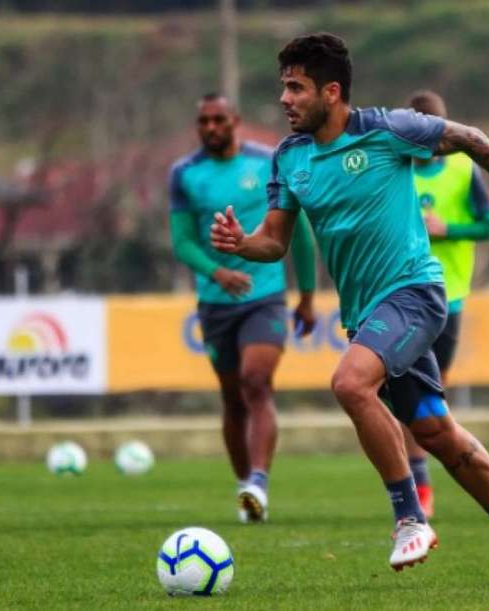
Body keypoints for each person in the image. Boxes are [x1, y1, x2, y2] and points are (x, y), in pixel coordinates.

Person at [210, 34, 489, 585]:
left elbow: (472, 139)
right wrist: (240, 242)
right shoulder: (291, 157)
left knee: (350, 383)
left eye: (296, 87)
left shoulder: (387, 129)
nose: (285, 99)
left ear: (331, 91)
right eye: (283, 87)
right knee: (437, 433)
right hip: (367, 312)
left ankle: (408, 517)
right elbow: (274, 242)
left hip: (415, 293)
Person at [169, 92, 317, 524]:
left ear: (236, 120)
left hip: (264, 295)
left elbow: (299, 233)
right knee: (233, 400)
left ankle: (259, 482)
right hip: (216, 302)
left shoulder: (269, 161)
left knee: (257, 383)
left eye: (219, 119)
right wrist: (217, 273)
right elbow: (182, 241)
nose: (212, 127)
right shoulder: (184, 174)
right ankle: (245, 490)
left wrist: (306, 296)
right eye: (204, 121)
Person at [400, 89, 489, 520]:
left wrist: (448, 227)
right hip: (403, 295)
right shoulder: (396, 167)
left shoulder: (463, 167)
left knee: (434, 399)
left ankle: (458, 475)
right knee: (407, 395)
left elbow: (487, 225)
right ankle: (420, 487)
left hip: (449, 297)